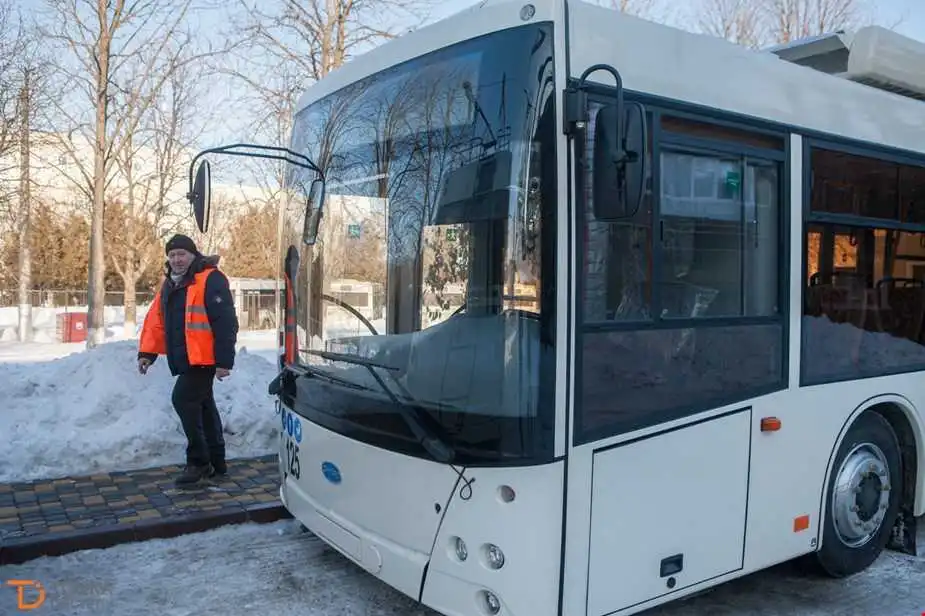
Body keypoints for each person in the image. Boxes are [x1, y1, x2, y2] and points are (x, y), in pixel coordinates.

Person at [137, 233, 239, 487]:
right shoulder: (171, 284)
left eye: (181, 254)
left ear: (193, 255)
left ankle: (198, 461)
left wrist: (224, 360)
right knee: (203, 406)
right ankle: (217, 460)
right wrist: (147, 353)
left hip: (204, 358)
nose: (176, 259)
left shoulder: (210, 278)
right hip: (187, 358)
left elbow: (225, 321)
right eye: (172, 255)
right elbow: (156, 320)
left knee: (182, 399)